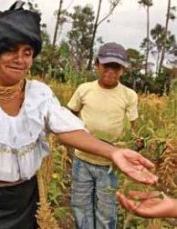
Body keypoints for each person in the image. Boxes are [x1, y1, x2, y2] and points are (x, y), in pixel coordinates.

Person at [0, 2, 157, 229]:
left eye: (27, 53)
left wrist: (114, 152)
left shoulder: (39, 95)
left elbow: (67, 128)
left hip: (25, 201)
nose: (20, 59)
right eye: (11, 50)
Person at [67, 42, 139, 228]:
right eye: (107, 65)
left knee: (106, 212)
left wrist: (137, 143)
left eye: (117, 67)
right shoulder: (84, 89)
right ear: (97, 64)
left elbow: (134, 129)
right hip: (82, 161)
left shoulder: (129, 95)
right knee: (80, 208)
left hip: (109, 165)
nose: (111, 71)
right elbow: (68, 117)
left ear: (123, 70)